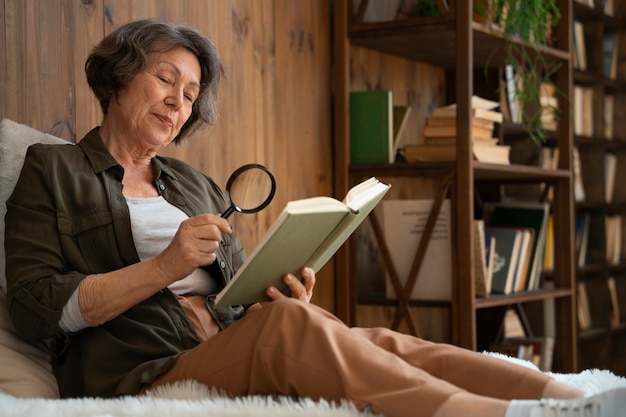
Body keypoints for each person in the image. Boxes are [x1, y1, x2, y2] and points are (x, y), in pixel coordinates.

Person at [4, 19, 623, 417]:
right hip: (141, 367)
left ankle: (575, 398)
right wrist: (164, 266)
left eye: (190, 94)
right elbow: (34, 306)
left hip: (223, 341)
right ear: (118, 76)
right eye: (166, 78)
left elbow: (243, 301)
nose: (178, 101)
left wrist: (282, 287)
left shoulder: (192, 183)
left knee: (368, 338)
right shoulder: (53, 169)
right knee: (288, 331)